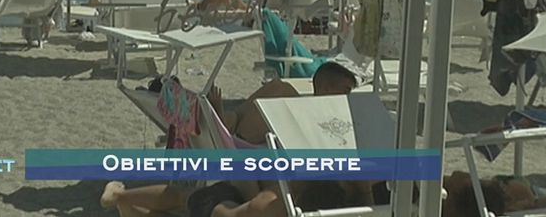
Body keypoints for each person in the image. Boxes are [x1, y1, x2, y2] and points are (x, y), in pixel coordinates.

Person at [100, 62, 365, 217]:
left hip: (243, 169)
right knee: (188, 199)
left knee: (183, 200)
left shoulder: (322, 133)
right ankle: (120, 197)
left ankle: (120, 198)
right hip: (240, 164)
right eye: (346, 91)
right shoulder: (295, 111)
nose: (348, 98)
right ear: (326, 88)